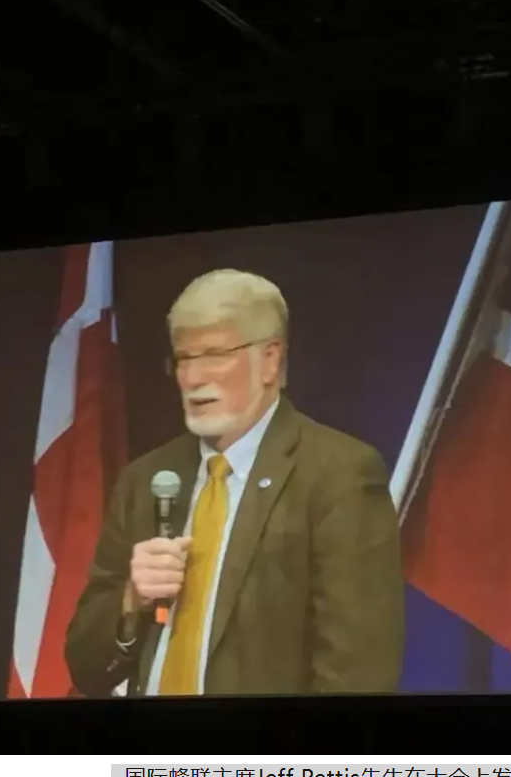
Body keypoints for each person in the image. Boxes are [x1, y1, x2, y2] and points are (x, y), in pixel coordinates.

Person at [65, 268, 404, 696]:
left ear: (270, 360)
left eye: (213, 354)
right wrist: (131, 601)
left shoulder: (339, 475)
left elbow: (358, 674)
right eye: (184, 358)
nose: (192, 378)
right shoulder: (146, 479)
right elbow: (85, 668)